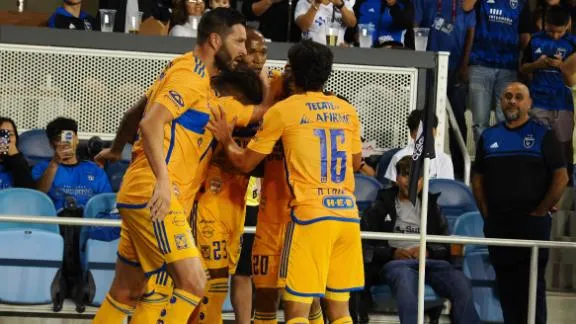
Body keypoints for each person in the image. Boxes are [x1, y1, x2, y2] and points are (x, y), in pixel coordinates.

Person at [92, 8, 248, 324]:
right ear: (216, 40)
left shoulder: (182, 68)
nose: (244, 51)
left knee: (127, 291)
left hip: (140, 191)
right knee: (193, 283)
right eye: (240, 41)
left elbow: (135, 112)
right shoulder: (189, 77)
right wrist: (162, 182)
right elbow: (150, 125)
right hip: (158, 193)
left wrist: (116, 148)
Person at [208, 40, 364, 324]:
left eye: (288, 68)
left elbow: (244, 163)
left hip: (307, 218)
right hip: (346, 216)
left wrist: (226, 139)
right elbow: (354, 164)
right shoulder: (346, 110)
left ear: (296, 73)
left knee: (296, 313)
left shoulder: (284, 110)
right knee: (340, 312)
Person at [472, 82, 569, 324]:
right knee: (506, 288)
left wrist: (540, 211)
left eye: (518, 97)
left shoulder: (544, 135)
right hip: (498, 226)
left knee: (531, 289)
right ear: (501, 101)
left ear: (529, 103)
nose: (512, 101)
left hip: (532, 226)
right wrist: (487, 214)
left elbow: (561, 177)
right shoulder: (489, 136)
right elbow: (477, 178)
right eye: (507, 96)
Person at [364, 155, 480, 324]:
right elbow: (366, 246)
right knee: (406, 281)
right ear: (396, 178)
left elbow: (444, 245)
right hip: (397, 264)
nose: (410, 181)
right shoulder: (380, 205)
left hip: (431, 263)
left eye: (416, 177)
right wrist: (393, 253)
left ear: (423, 181)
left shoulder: (431, 206)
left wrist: (428, 251)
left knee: (460, 283)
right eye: (405, 175)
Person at [414, 0, 475, 180]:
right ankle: (422, 163)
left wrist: (464, 65)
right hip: (428, 64)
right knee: (425, 116)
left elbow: (471, 32)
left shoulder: (465, 3)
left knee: (457, 117)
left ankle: (459, 170)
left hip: (456, 66)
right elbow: (415, 25)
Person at [520, 6, 576, 185]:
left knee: (564, 145)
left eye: (559, 32)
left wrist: (561, 66)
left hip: (563, 103)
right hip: (538, 102)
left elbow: (572, 81)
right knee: (537, 143)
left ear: (568, 25)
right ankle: (537, 181)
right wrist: (537, 64)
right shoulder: (535, 40)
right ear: (544, 24)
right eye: (551, 31)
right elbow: (522, 68)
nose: (555, 36)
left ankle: (566, 183)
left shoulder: (574, 44)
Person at [463, 0, 532, 141]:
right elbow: (465, 6)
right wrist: (465, 64)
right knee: (479, 121)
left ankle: (504, 158)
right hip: (479, 65)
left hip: (508, 68)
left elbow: (525, 36)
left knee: (507, 118)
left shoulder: (521, 2)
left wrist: (526, 66)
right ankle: (483, 159)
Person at [32, 117, 112, 211]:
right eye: (59, 139)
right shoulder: (42, 168)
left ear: (77, 139)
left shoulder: (95, 170)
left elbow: (107, 204)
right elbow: (37, 196)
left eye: (69, 137)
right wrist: (55, 163)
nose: (65, 143)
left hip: (87, 222)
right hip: (55, 222)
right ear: (51, 144)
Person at [383, 110, 454, 183]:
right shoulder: (399, 157)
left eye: (430, 130)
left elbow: (446, 190)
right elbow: (394, 187)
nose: (427, 135)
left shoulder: (444, 160)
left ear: (435, 131)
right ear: (412, 134)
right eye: (422, 131)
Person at [0, 117, 34, 190]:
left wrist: (15, 156)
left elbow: (28, 191)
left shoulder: (20, 161)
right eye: (1, 134)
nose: (6, 139)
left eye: (11, 134)